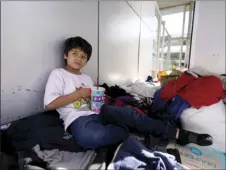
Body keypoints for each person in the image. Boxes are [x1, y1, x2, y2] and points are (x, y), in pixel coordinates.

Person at [44, 36, 213, 149]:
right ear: (66, 55)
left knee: (131, 114)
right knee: (90, 138)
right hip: (77, 119)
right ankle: (127, 131)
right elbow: (49, 104)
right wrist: (79, 94)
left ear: (86, 61)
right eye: (75, 54)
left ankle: (179, 134)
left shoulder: (87, 79)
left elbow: (95, 103)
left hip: (98, 111)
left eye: (83, 56)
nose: (78, 59)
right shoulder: (58, 74)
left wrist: (98, 99)